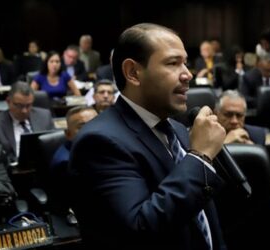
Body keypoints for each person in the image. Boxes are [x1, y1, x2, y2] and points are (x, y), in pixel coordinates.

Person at [68, 23, 227, 249]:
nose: (187, 74)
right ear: (133, 73)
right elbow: (140, 228)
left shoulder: (177, 129)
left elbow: (203, 216)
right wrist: (200, 157)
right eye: (173, 63)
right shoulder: (99, 142)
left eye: (186, 62)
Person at [0, 81, 55, 163]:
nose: (24, 111)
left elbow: (53, 147)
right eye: (19, 105)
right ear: (8, 102)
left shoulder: (44, 116)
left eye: (28, 105)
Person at [51, 106, 97, 181]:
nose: (92, 129)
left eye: (95, 123)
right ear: (68, 134)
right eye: (83, 127)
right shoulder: (67, 163)